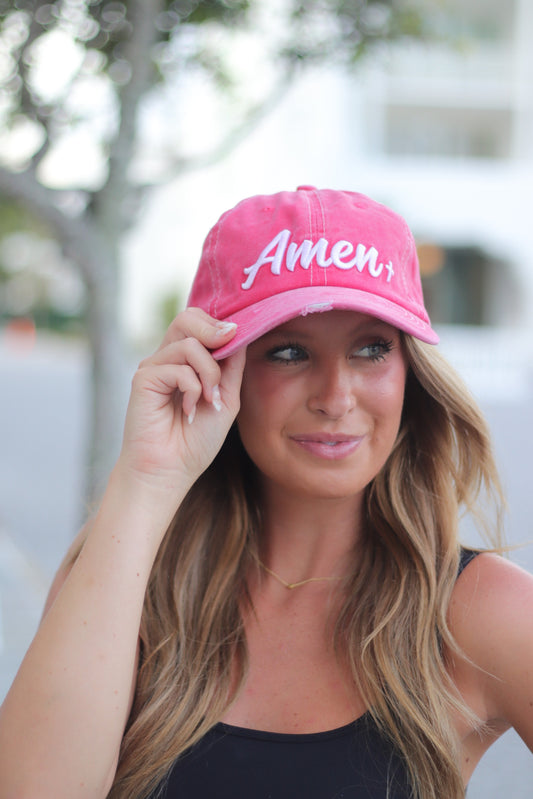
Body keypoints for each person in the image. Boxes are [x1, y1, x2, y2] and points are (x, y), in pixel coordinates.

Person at [0, 186, 532, 799]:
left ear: (409, 372)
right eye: (288, 352)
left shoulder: (479, 611)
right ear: (218, 367)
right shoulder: (127, 579)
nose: (335, 396)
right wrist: (146, 477)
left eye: (371, 348)